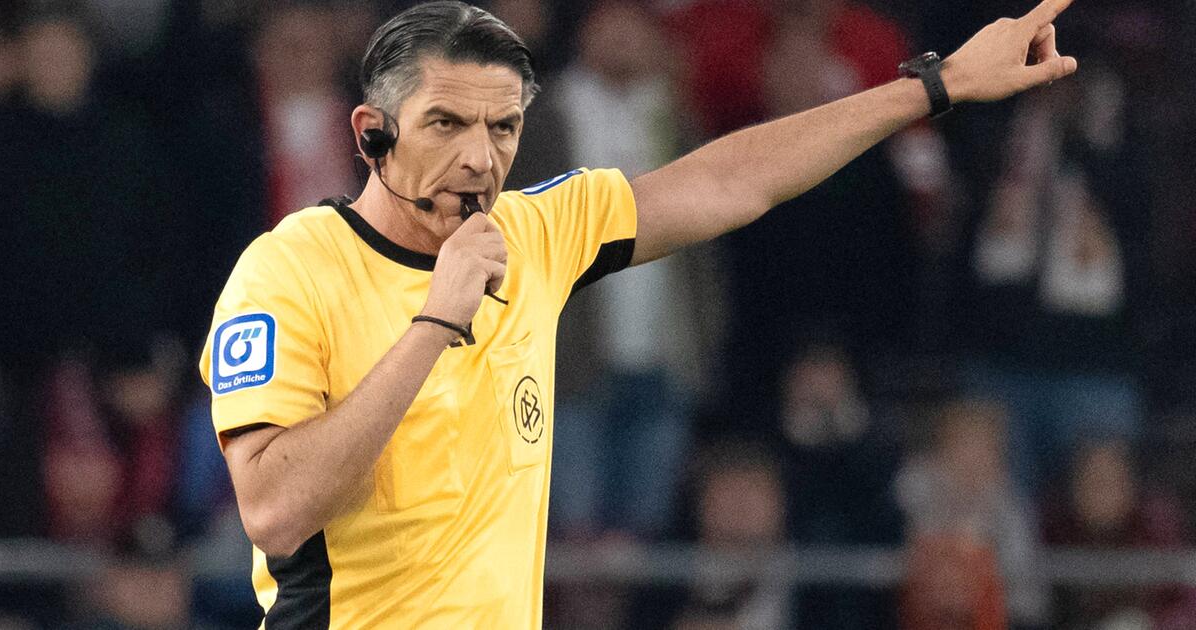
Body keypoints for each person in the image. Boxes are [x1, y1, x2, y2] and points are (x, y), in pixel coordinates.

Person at [198, 1, 1081, 627]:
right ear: (371, 132)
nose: (479, 158)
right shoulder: (290, 270)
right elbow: (274, 511)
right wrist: (434, 323)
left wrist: (936, 85)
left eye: (501, 128)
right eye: (446, 124)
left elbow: (733, 179)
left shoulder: (536, 233)